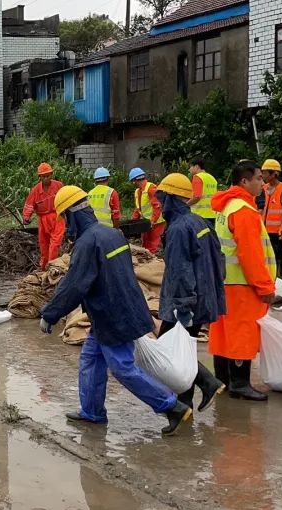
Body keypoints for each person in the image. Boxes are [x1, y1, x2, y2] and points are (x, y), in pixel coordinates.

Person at [39, 185, 192, 435]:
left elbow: (74, 285)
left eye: (65, 218)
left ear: (72, 215)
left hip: (112, 316)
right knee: (90, 360)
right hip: (115, 312)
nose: (66, 225)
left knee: (123, 368)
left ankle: (171, 406)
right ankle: (92, 412)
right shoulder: (111, 234)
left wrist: (49, 313)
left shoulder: (88, 243)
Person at [154, 173, 227, 411]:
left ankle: (207, 383)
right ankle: (184, 404)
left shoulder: (177, 230)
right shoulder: (200, 222)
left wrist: (182, 306)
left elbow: (180, 271)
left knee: (168, 348)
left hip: (186, 302)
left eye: (162, 198)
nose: (159, 203)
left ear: (171, 198)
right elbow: (219, 260)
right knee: (181, 350)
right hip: (203, 298)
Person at [208, 161, 277, 401]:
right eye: (258, 178)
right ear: (244, 182)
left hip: (225, 281)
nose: (263, 182)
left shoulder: (226, 206)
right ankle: (239, 384)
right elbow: (250, 254)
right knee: (241, 333)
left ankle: (224, 380)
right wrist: (265, 287)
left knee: (224, 332)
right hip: (241, 284)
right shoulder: (244, 211)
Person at [22, 163, 65, 270]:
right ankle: (44, 268)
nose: (46, 178)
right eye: (43, 176)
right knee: (44, 245)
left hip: (57, 218)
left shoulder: (59, 185)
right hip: (43, 220)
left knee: (54, 244)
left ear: (51, 174)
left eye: (48, 175)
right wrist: (26, 217)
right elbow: (29, 204)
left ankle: (52, 267)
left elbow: (66, 199)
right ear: (39, 177)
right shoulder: (35, 190)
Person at [260, 159, 282, 276]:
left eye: (265, 173)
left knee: (277, 255)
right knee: (265, 254)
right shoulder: (264, 188)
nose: (263, 176)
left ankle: (278, 276)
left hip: (277, 230)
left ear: (274, 174)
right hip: (264, 229)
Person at [130, 168, 165, 252]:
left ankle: (154, 263)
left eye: (133, 181)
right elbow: (138, 208)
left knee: (153, 246)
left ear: (135, 180)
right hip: (146, 223)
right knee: (145, 246)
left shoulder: (151, 188)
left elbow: (157, 207)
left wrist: (152, 221)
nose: (133, 183)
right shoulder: (138, 191)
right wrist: (132, 222)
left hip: (156, 223)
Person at [188, 158, 219, 230]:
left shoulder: (197, 177)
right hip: (212, 214)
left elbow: (197, 196)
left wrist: (186, 205)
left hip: (199, 215)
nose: (189, 170)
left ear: (197, 166)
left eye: (190, 167)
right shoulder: (212, 178)